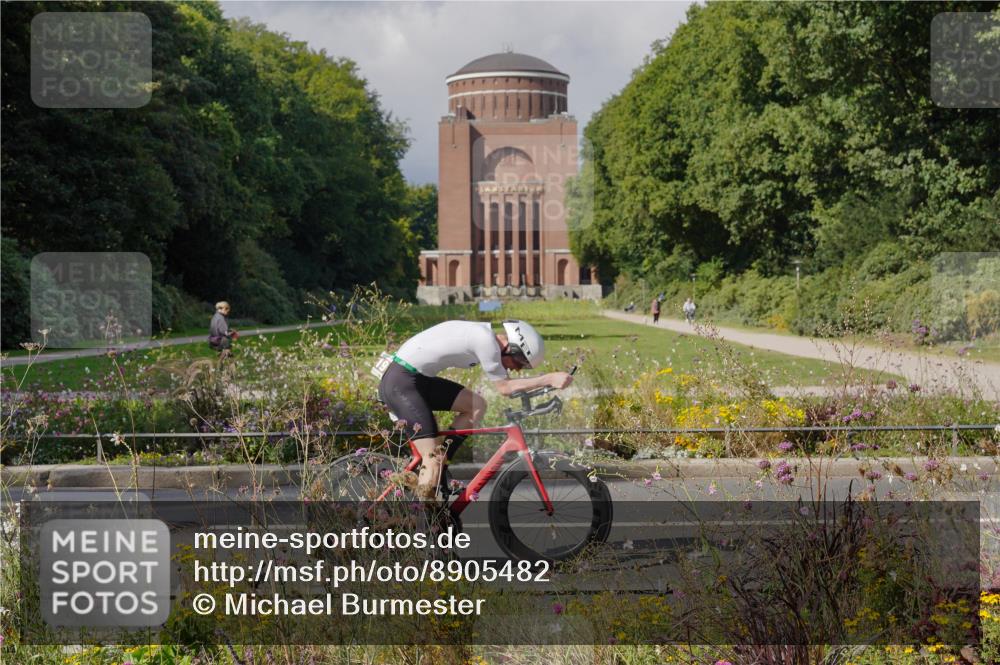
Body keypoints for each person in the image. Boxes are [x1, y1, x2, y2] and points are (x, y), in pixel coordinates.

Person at [377, 319, 573, 502]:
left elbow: (509, 385)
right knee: (431, 458)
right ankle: (423, 525)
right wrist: (548, 378)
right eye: (520, 364)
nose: (518, 370)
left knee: (476, 405)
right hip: (401, 383)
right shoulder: (485, 340)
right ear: (512, 348)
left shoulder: (483, 336)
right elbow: (505, 388)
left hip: (417, 380)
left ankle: (443, 462)